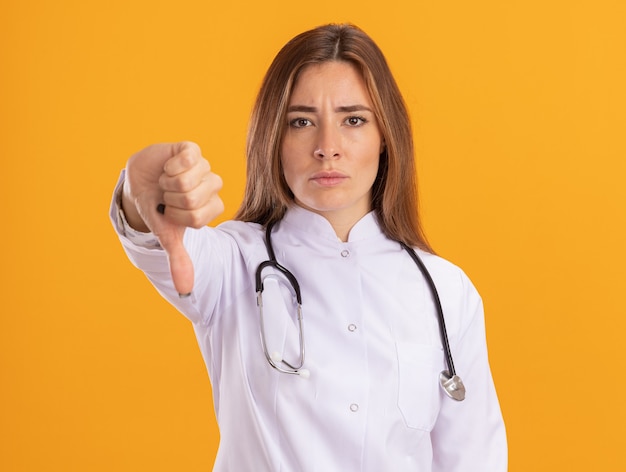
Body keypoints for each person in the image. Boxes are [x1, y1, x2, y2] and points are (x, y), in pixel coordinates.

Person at [110, 23, 507, 471]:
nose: (327, 147)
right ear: (273, 140)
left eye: (352, 120)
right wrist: (142, 193)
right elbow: (161, 241)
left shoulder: (446, 291)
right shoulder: (234, 262)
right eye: (302, 122)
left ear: (385, 138)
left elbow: (474, 459)